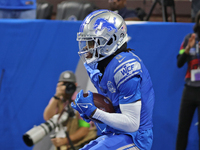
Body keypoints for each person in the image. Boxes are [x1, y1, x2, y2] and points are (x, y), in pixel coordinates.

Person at [71, 9, 155, 150]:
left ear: (110, 40)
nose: (86, 47)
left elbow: (132, 123)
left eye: (91, 42)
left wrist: (95, 112)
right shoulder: (102, 66)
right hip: (116, 133)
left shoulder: (125, 66)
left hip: (136, 137)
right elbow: (113, 110)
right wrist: (91, 111)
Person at [43, 70, 97, 150]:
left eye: (69, 84)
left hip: (83, 143)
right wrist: (56, 96)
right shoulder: (57, 100)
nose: (67, 87)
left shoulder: (81, 101)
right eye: (64, 84)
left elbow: (85, 128)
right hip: (66, 144)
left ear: (75, 85)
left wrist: (65, 141)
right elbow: (48, 118)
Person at [176, 10, 200, 150]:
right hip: (189, 90)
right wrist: (187, 49)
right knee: (182, 129)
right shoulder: (188, 38)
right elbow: (179, 63)